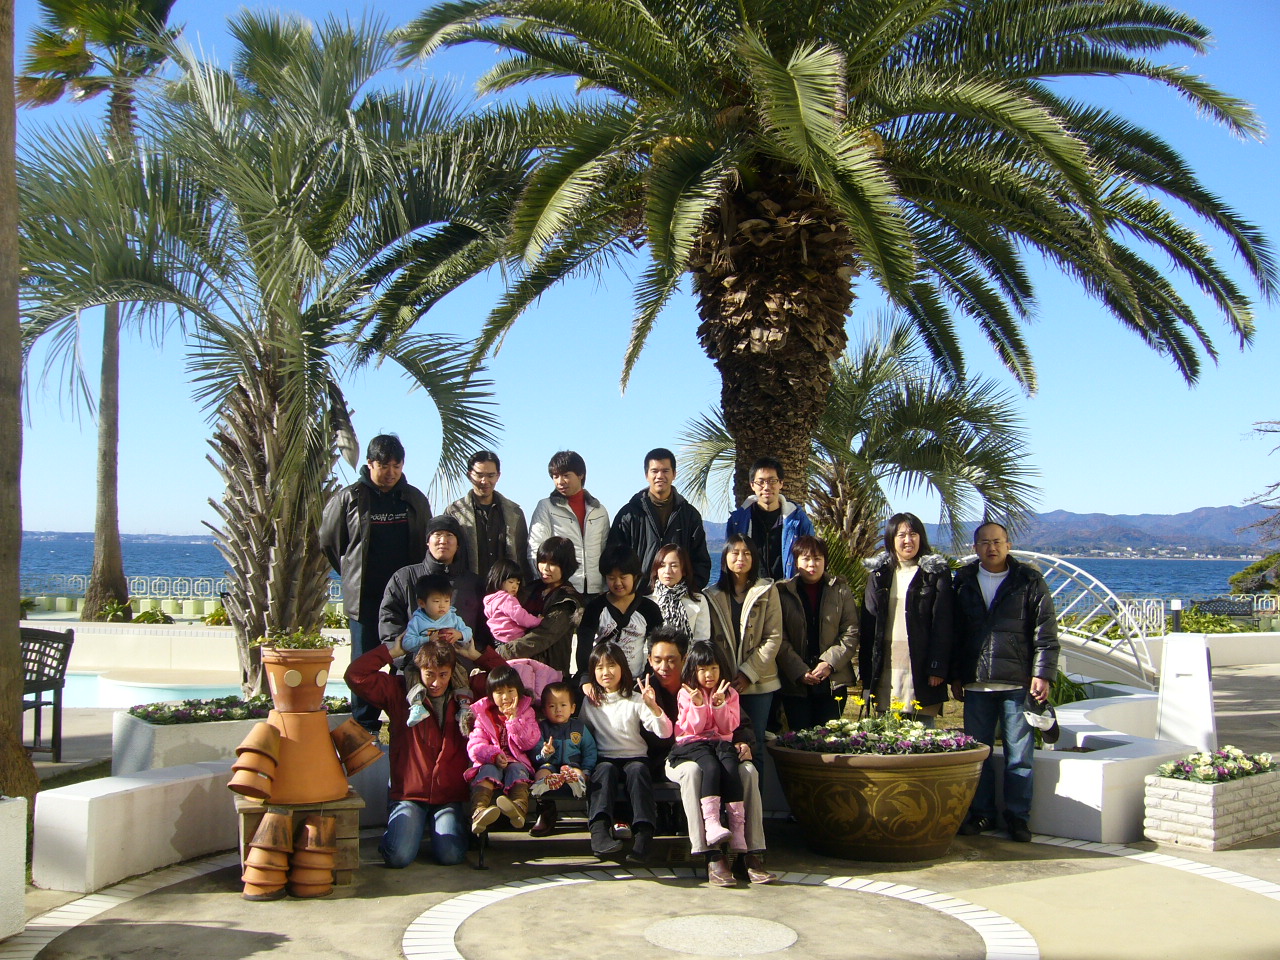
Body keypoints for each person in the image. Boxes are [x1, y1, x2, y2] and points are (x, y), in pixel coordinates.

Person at [951, 521, 1059, 843]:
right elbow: (952, 632)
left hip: (1016, 684)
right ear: (975, 548)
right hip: (976, 684)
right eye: (984, 542)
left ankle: (1017, 818)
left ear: (1008, 545)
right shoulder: (962, 581)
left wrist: (1042, 674)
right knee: (978, 754)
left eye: (997, 541)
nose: (992, 547)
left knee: (1020, 756)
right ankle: (981, 814)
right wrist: (956, 675)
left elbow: (1045, 631)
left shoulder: (1028, 580)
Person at [642, 627, 776, 886]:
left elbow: (740, 724)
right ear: (649, 660)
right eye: (658, 660)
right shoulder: (647, 689)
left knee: (748, 771)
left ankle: (750, 852)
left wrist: (744, 743)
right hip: (675, 759)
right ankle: (711, 854)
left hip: (717, 752)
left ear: (685, 659)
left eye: (672, 660)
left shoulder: (715, 687)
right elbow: (656, 738)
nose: (664, 667)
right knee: (694, 771)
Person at [321, 433, 431, 734]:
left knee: (407, 661)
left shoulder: (414, 499)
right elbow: (330, 543)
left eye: (396, 465)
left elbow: (426, 544)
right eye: (384, 465)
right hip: (365, 599)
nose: (391, 472)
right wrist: (351, 574)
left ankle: (404, 725)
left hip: (405, 600)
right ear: (370, 464)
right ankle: (364, 726)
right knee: (364, 663)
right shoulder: (349, 498)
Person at [344, 636, 471, 868]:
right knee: (398, 857)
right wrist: (393, 651)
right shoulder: (398, 691)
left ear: (452, 672)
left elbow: (505, 679)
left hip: (447, 795)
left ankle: (449, 828)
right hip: (409, 794)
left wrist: (476, 655)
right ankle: (404, 830)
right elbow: (355, 675)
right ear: (419, 670)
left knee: (451, 856)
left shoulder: (465, 696)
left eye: (443, 675)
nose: (436, 683)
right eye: (429, 674)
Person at [579, 641, 672, 861]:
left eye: (611, 665)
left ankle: (644, 835)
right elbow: (581, 735)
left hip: (635, 757)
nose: (606, 672)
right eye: (599, 667)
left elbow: (665, 732)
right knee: (603, 771)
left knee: (638, 771)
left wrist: (653, 706)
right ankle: (600, 833)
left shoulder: (636, 699)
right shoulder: (590, 702)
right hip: (605, 759)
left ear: (623, 668)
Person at [860, 513, 954, 726]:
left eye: (913, 534)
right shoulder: (879, 575)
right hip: (887, 665)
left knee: (922, 731)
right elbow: (869, 626)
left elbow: (943, 624)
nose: (908, 540)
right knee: (887, 730)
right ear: (891, 539)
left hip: (920, 666)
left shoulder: (934, 574)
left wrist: (937, 667)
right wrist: (867, 673)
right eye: (901, 535)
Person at [704, 534, 783, 766]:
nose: (741, 558)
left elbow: (773, 637)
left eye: (747, 553)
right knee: (724, 744)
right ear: (725, 558)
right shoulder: (711, 595)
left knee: (755, 746)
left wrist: (749, 673)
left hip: (759, 682)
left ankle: (756, 792)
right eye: (735, 553)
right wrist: (722, 676)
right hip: (723, 683)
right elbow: (708, 640)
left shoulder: (767, 590)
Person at [776, 535, 859, 730]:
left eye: (817, 558)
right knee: (799, 739)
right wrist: (799, 670)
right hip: (795, 684)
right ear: (796, 562)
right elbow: (778, 636)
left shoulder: (840, 591)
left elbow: (851, 631)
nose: (812, 564)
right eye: (806, 559)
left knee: (830, 738)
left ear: (825, 561)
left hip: (833, 681)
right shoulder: (782, 592)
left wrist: (829, 663)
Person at [669, 640, 745, 853]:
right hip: (694, 744)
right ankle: (711, 823)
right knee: (710, 767)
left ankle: (738, 830)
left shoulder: (730, 694)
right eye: (702, 669)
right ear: (693, 671)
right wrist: (699, 705)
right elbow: (692, 728)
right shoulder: (686, 693)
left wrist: (720, 705)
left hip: (721, 742)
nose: (709, 675)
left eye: (713, 668)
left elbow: (729, 726)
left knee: (731, 768)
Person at [608, 447, 711, 591]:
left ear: (674, 474)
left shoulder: (689, 515)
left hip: (678, 597)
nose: (660, 476)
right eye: (654, 471)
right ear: (646, 475)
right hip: (638, 596)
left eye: (665, 471)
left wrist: (689, 590)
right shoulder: (628, 514)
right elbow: (614, 558)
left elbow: (701, 560)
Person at [380, 515, 488, 651]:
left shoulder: (474, 583)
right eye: (437, 534)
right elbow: (390, 622)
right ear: (428, 541)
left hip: (463, 661)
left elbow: (485, 629)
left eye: (449, 535)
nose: (443, 541)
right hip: (416, 661)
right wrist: (403, 658)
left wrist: (475, 656)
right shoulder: (404, 578)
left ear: (458, 544)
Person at [491, 536, 585, 679]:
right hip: (517, 667)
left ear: (565, 565)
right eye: (542, 561)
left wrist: (501, 652)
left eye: (552, 564)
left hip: (548, 673)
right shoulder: (530, 588)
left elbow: (541, 637)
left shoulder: (568, 600)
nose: (545, 568)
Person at [465, 665, 541, 833]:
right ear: (491, 695)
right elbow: (475, 746)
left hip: (516, 760)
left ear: (519, 691)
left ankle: (518, 808)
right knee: (487, 771)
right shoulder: (484, 715)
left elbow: (529, 742)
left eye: (510, 691)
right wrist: (493, 755)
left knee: (517, 771)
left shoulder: (526, 712)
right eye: (499, 692)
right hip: (491, 760)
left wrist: (514, 720)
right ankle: (479, 811)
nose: (506, 697)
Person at [528, 451, 610, 595]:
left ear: (581, 475)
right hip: (561, 589)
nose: (560, 481)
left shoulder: (599, 511)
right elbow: (535, 549)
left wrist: (605, 587)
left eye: (566, 475)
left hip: (596, 591)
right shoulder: (546, 507)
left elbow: (605, 550)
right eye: (555, 476)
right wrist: (546, 583)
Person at [577, 545, 663, 680]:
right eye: (611, 578)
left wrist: (648, 677)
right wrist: (586, 678)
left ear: (635, 577)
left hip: (636, 680)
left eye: (623, 577)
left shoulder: (649, 609)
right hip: (603, 680)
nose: (617, 583)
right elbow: (584, 646)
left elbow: (657, 648)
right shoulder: (595, 607)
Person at [400, 574, 475, 727]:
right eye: (436, 601)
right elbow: (407, 643)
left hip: (448, 659)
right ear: (422, 603)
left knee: (460, 672)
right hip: (423, 662)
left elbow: (468, 632)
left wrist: (459, 634)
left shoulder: (453, 617)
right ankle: (416, 705)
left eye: (446, 601)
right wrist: (427, 639)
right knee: (410, 672)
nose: (442, 606)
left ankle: (464, 705)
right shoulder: (417, 621)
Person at [724, 457, 815, 581]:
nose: (766, 487)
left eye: (772, 481)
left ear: (781, 483)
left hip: (787, 589)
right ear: (752, 485)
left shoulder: (798, 520)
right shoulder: (737, 521)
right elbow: (729, 560)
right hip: (752, 589)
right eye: (760, 482)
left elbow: (811, 557)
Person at [445, 450, 531, 581]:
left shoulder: (514, 513)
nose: (484, 481)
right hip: (467, 587)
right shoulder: (455, 512)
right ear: (469, 475)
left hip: (505, 588)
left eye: (491, 475)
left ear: (498, 476)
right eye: (479, 475)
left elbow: (522, 556)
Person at [528, 681, 598, 836]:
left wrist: (587, 770)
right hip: (549, 764)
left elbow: (590, 750)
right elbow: (534, 753)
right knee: (542, 773)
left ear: (572, 708)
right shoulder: (542, 728)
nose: (558, 709)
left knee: (576, 771)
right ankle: (545, 789)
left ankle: (577, 783)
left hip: (571, 764)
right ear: (544, 710)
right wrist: (545, 752)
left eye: (563, 705)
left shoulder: (579, 728)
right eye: (552, 706)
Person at [649, 544, 711, 641]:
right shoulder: (648, 600)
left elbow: (702, 639)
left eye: (674, 566)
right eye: (662, 565)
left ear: (684, 570)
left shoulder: (698, 600)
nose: (667, 571)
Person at [483, 559, 542, 645]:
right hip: (512, 639)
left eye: (517, 583)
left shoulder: (490, 599)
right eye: (511, 582)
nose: (515, 586)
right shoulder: (507, 599)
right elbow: (521, 617)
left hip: (497, 639)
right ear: (498, 579)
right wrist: (538, 621)